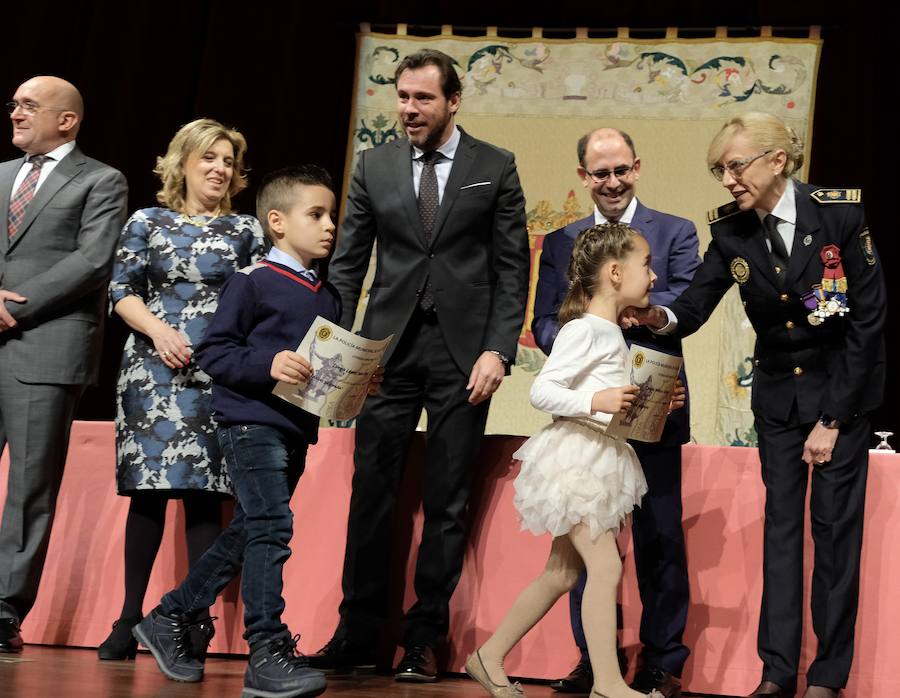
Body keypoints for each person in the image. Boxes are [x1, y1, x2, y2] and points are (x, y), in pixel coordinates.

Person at [622, 112, 886, 698]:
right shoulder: (732, 231)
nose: (728, 180)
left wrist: (835, 420)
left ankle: (828, 677)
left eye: (735, 165)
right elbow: (693, 305)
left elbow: (866, 324)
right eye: (720, 169)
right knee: (782, 532)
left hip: (839, 396)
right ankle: (777, 672)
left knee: (835, 536)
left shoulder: (838, 213)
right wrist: (655, 317)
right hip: (778, 401)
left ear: (777, 161)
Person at [310, 48, 530, 682]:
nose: (408, 108)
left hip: (464, 356)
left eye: (422, 98)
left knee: (447, 501)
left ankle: (424, 639)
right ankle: (356, 633)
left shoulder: (495, 166)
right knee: (372, 494)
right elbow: (349, 264)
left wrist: (498, 348)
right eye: (402, 96)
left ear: (452, 101)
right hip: (387, 351)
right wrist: (334, 348)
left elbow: (513, 268)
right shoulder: (373, 166)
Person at [133, 165, 361, 698]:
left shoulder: (326, 297)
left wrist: (351, 382)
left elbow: (315, 367)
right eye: (317, 214)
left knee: (254, 527)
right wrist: (268, 364)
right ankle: (266, 649)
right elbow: (215, 351)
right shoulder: (253, 280)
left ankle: (170, 615)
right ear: (277, 222)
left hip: (294, 426)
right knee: (272, 527)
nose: (330, 225)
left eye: (333, 215)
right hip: (249, 422)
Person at [466, 222, 677, 698]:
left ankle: (488, 655)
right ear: (617, 273)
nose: (655, 276)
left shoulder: (611, 332)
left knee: (562, 572)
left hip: (599, 455)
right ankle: (607, 683)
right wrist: (597, 401)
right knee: (605, 568)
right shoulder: (583, 329)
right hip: (576, 460)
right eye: (646, 265)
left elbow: (612, 399)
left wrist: (655, 401)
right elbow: (544, 390)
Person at [533, 128, 699, 697]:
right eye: (600, 173)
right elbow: (544, 323)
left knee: (659, 536)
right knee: (590, 546)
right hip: (589, 420)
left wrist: (646, 314)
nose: (612, 181)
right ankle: (596, 661)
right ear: (583, 176)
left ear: (637, 167)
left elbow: (686, 302)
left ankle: (662, 660)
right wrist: (590, 327)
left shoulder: (675, 231)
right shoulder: (562, 241)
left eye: (621, 170)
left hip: (654, 403)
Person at [100, 118, 266, 660]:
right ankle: (128, 619)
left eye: (227, 161)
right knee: (147, 495)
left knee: (206, 495)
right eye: (208, 158)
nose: (219, 169)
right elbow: (121, 291)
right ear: (183, 163)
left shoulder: (248, 231)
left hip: (217, 371)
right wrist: (159, 330)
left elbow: (259, 302)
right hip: (152, 370)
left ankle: (190, 621)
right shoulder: (147, 221)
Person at [0, 76, 128, 653]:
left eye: (29, 105)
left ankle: (3, 607)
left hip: (44, 346)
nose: (16, 112)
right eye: (15, 104)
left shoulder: (100, 181)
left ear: (67, 120)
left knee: (29, 488)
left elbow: (92, 259)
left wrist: (12, 306)